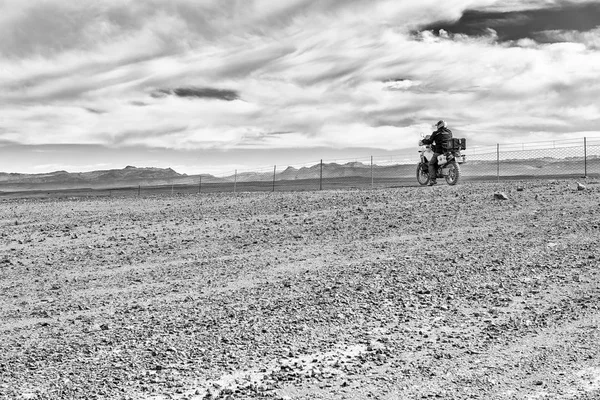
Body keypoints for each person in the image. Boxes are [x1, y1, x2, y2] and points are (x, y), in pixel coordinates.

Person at [421, 120, 453, 186]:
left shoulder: (436, 133)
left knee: (431, 164)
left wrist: (423, 141)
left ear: (439, 125)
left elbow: (430, 141)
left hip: (439, 151)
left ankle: (432, 180)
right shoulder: (449, 132)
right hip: (449, 151)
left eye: (437, 125)